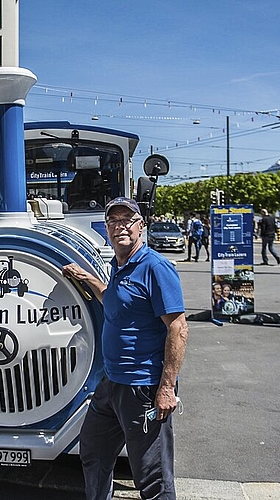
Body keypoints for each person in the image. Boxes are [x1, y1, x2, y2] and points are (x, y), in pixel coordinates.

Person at [62, 196, 189, 500]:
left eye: (127, 220)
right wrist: (87, 278)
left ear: (141, 226)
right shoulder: (118, 266)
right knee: (93, 452)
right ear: (107, 228)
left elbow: (178, 327)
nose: (120, 226)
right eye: (114, 221)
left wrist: (167, 387)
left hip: (143, 388)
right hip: (112, 384)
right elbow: (116, 302)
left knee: (152, 477)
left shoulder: (155, 267)